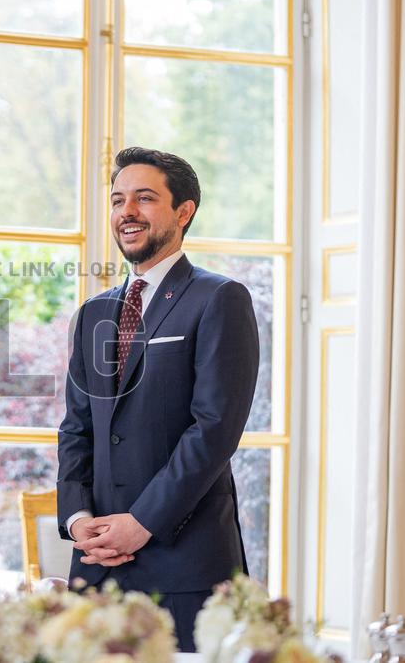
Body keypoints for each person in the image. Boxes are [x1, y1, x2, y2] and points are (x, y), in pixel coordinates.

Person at [57, 146, 259, 652]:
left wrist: (142, 523)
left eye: (144, 199)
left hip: (184, 564)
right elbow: (77, 428)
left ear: (183, 211)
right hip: (98, 565)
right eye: (118, 199)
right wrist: (79, 519)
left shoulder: (219, 299)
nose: (127, 211)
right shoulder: (94, 312)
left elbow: (214, 430)